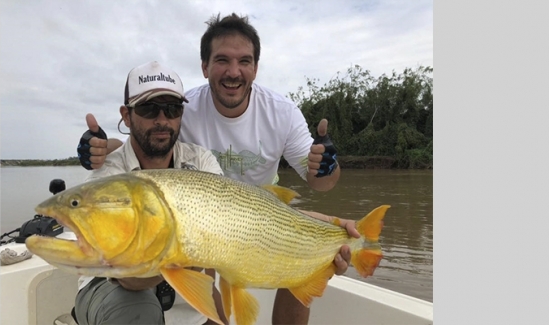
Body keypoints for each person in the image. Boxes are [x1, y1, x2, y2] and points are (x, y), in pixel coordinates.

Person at [76, 13, 361, 325]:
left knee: (298, 264)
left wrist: (328, 173)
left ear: (255, 67)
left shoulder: (282, 113)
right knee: (201, 245)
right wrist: (105, 149)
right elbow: (143, 145)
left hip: (262, 215)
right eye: (222, 60)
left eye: (245, 61)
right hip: (210, 220)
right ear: (205, 66)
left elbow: (321, 182)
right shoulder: (190, 109)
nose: (234, 71)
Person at [74, 61, 229, 325]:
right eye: (148, 108)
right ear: (126, 115)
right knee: (138, 311)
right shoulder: (108, 175)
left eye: (172, 109)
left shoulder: (201, 162)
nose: (162, 120)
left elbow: (221, 229)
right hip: (111, 291)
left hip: (184, 301)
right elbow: (131, 278)